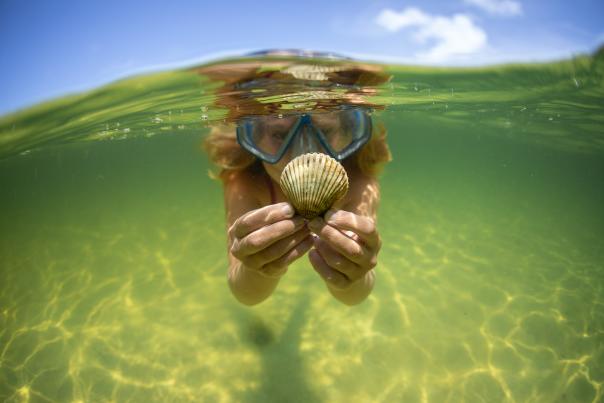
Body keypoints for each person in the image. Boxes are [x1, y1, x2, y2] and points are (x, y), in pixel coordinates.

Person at [200, 54, 391, 306]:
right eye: (279, 134)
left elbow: (353, 296)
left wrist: (356, 275)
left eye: (324, 132)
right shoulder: (246, 183)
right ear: (252, 136)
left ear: (348, 131)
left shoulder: (358, 184)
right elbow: (246, 293)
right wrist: (255, 269)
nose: (303, 154)